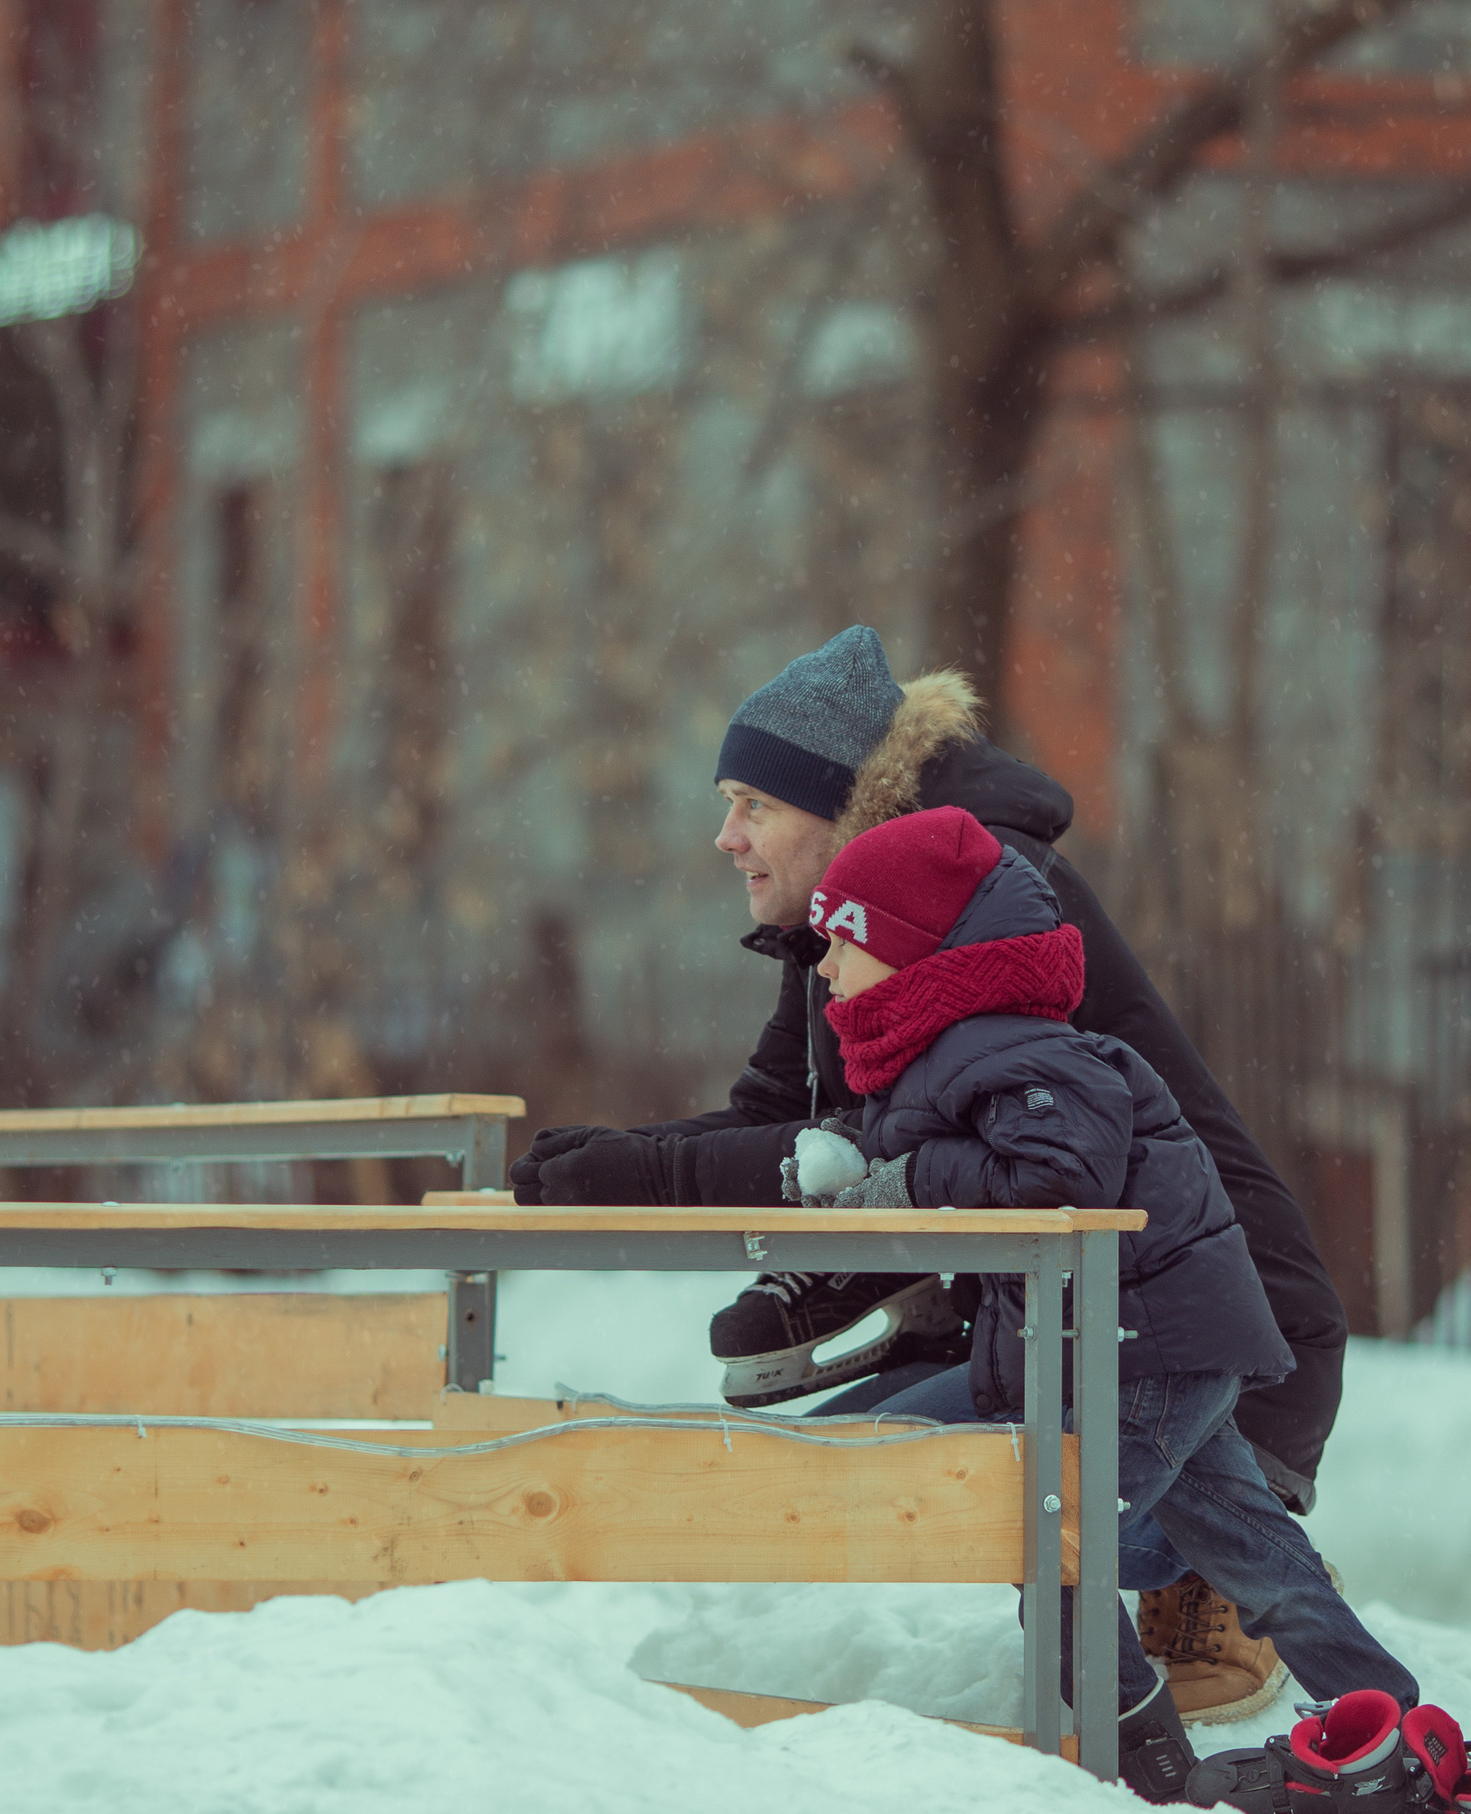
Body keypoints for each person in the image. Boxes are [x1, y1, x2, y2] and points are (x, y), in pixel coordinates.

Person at [508, 624, 1347, 1724]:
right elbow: (779, 1117)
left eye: (752, 803)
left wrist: (626, 1174)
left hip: (1206, 1348)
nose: (725, 835)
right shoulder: (864, 912)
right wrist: (612, 1159)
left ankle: (1223, 1570)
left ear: (834, 802)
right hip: (1064, 1305)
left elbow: (858, 1153)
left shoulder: (969, 893)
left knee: (930, 1495)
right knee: (830, 1468)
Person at [780, 805, 1471, 1814]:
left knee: (1047, 1535)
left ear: (916, 948)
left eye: (843, 936)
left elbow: (1056, 1176)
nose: (822, 963)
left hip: (1139, 1347)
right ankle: (1405, 1733)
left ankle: (1142, 1767)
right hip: (1161, 1341)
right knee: (1251, 1546)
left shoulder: (999, 1043)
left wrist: (912, 1180)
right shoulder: (971, 1047)